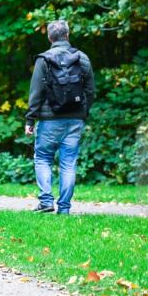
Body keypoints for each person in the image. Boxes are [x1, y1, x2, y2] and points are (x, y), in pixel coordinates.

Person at [24, 20, 96, 215]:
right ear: (68, 34)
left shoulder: (43, 59)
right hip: (75, 120)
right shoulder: (82, 58)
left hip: (49, 120)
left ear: (49, 37)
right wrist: (82, 112)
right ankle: (64, 208)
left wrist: (30, 119)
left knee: (43, 158)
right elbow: (91, 91)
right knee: (68, 163)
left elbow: (36, 92)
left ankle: (46, 202)